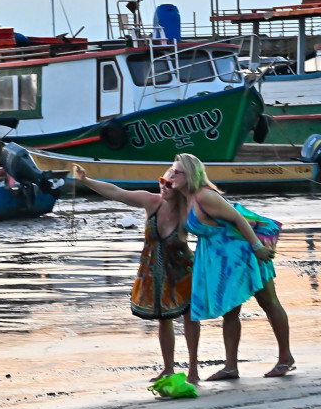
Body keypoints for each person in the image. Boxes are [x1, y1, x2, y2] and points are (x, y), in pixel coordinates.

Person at [167, 153, 295, 380]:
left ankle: (285, 358)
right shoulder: (183, 200)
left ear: (191, 174)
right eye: (172, 170)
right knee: (230, 311)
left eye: (177, 172)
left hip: (245, 253)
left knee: (269, 302)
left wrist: (257, 247)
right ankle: (230, 367)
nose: (172, 175)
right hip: (221, 261)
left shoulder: (205, 196)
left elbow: (238, 218)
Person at [73, 164, 200, 383]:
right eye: (162, 181)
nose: (163, 186)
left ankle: (193, 371)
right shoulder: (151, 201)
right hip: (155, 271)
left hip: (183, 270)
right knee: (163, 319)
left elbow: (217, 223)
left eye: (169, 184)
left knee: (190, 316)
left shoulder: (189, 210)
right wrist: (85, 180)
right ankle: (168, 368)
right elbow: (117, 193)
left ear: (181, 187)